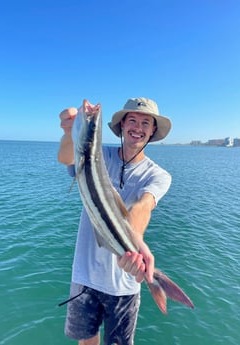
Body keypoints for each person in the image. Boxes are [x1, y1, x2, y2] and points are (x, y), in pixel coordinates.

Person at [58, 97, 172, 345]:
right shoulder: (98, 155)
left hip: (124, 284)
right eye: (131, 120)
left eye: (145, 122)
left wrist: (135, 242)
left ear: (153, 131)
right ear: (121, 125)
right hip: (85, 275)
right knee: (86, 341)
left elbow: (143, 207)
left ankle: (156, 280)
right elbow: (66, 158)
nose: (137, 127)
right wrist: (69, 132)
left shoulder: (158, 175)